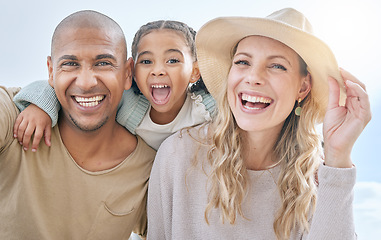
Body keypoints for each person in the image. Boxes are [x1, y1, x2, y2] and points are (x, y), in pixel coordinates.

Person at [147, 8, 371, 239]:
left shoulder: (317, 179)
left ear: (303, 88)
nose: (253, 77)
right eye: (243, 61)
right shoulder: (178, 154)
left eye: (277, 66)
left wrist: (338, 156)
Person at [0, 10, 155, 239]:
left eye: (103, 63)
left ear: (127, 73)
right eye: (70, 64)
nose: (86, 82)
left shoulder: (150, 167)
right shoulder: (14, 113)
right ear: (51, 72)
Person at [13, 20, 215, 151]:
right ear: (132, 73)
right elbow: (58, 86)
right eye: (146, 62)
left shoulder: (208, 107)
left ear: (195, 71)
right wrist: (40, 108)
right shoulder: (129, 105)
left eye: (172, 61)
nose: (158, 70)